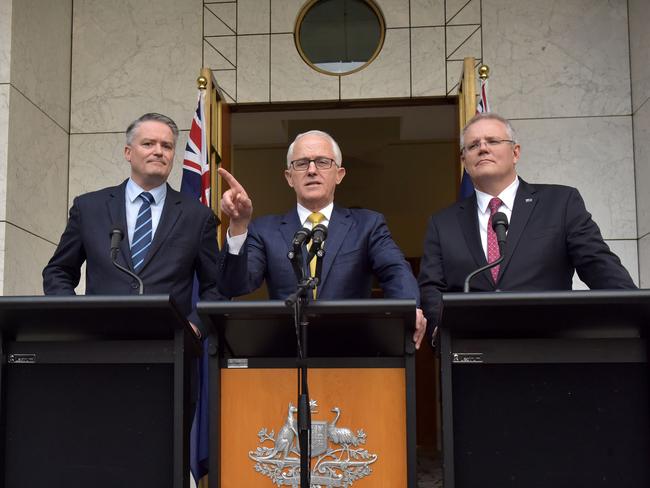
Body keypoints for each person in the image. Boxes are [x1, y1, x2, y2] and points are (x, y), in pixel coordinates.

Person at [418, 112, 637, 328]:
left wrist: (638, 314)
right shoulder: (442, 223)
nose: (483, 148)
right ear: (464, 160)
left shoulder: (560, 203)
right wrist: (442, 333)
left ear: (515, 153)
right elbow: (432, 288)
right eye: (473, 145)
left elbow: (598, 265)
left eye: (493, 141)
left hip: (548, 346)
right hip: (472, 351)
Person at [217, 129, 427, 348]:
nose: (311, 170)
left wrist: (409, 308)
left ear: (339, 174)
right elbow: (233, 286)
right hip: (285, 358)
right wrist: (239, 225)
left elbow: (396, 271)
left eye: (322, 162)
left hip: (353, 356)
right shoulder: (264, 230)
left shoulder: (367, 225)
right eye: (301, 163)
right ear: (289, 177)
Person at [43, 112, 223, 336]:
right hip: (98, 346)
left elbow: (216, 285)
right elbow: (58, 271)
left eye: (166, 146)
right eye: (148, 143)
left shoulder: (197, 215)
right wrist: (75, 318)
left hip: (170, 350)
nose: (159, 151)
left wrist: (194, 327)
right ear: (128, 152)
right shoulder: (89, 208)